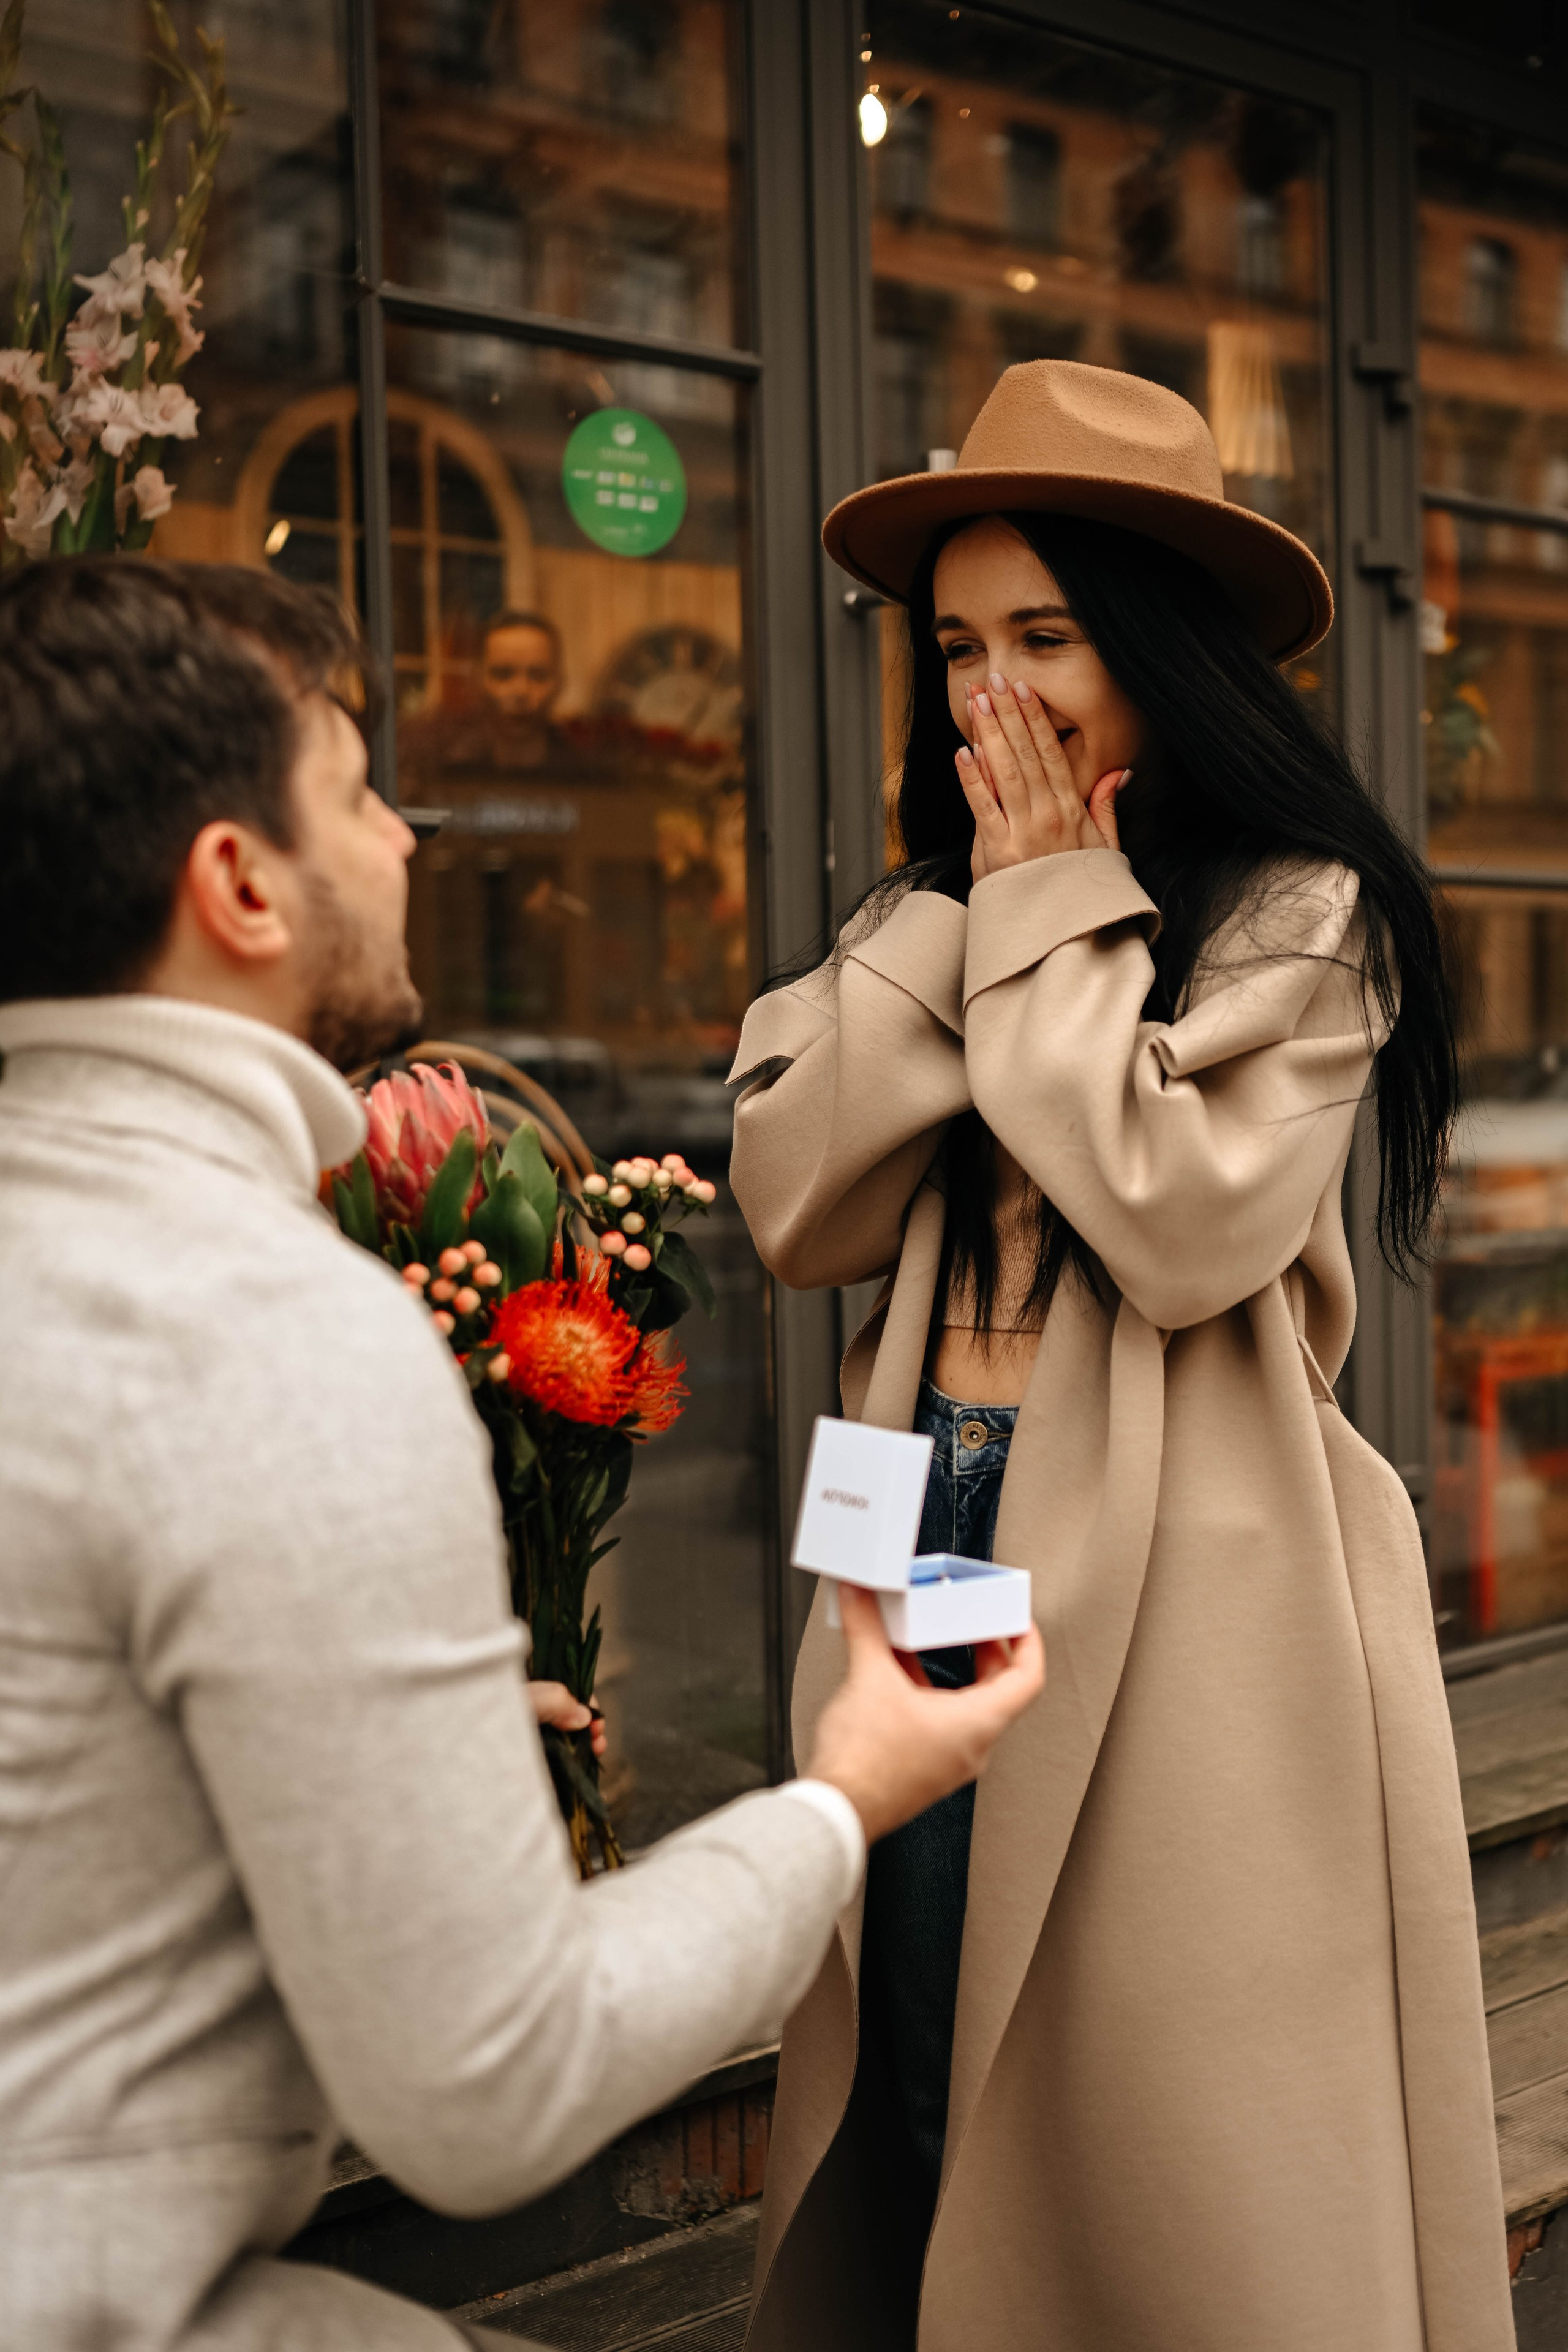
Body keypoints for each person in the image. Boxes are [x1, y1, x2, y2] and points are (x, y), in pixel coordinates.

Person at [0, 557, 1044, 2352]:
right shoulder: (274, 1334)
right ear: (239, 884)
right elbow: (488, 2083)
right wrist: (844, 1793)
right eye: (353, 787)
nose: (409, 832)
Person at [729, 361, 1513, 2352]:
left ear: (1168, 653)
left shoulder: (1305, 916)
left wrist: (1037, 912)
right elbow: (798, 1196)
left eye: (1050, 639)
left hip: (1194, 1581)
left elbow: (1177, 1218)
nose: (997, 692)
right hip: (935, 1514)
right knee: (916, 2043)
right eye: (960, 643)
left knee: (1152, 2116)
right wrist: (975, 916)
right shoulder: (939, 906)